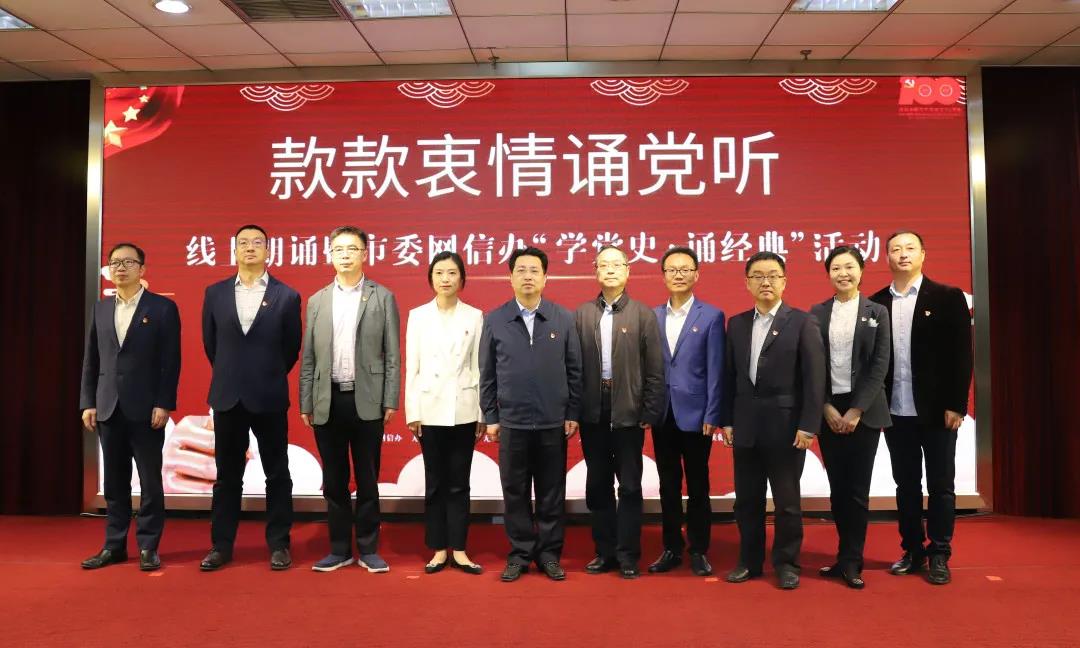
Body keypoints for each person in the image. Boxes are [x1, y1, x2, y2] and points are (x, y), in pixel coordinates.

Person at [870, 231, 972, 585]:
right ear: (886, 257)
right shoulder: (876, 303)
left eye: (910, 248)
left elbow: (961, 355)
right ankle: (912, 549)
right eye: (896, 249)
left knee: (941, 484)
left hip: (937, 410)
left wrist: (956, 404)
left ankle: (940, 552)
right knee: (906, 485)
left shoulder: (947, 297)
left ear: (923, 255)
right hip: (895, 411)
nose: (903, 254)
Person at [299, 225, 400, 573]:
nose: (345, 255)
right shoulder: (317, 300)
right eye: (339, 249)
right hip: (327, 399)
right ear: (330, 255)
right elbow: (309, 356)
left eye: (352, 249)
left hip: (367, 398)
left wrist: (390, 399)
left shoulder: (382, 296)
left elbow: (392, 355)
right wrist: (306, 401)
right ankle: (339, 549)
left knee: (368, 479)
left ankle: (369, 549)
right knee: (335, 479)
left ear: (364, 254)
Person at [721, 251, 825, 590]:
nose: (765, 281)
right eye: (758, 276)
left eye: (772, 275)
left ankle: (787, 563)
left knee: (787, 503)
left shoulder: (802, 322)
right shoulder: (737, 324)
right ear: (747, 283)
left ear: (784, 281)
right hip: (745, 427)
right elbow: (729, 375)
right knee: (746, 501)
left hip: (787, 428)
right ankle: (749, 562)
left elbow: (814, 379)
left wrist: (808, 425)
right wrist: (727, 420)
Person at [200, 224, 301, 572]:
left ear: (268, 251)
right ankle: (221, 545)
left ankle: (279, 545)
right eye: (243, 242)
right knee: (227, 476)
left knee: (277, 473)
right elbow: (211, 345)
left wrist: (265, 373)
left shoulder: (287, 296)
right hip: (228, 396)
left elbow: (291, 348)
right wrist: (234, 373)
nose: (250, 247)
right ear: (234, 250)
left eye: (257, 242)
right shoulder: (215, 293)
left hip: (269, 395)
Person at [479, 247, 583, 583]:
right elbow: (487, 373)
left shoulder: (563, 318)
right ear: (510, 277)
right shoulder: (495, 319)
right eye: (520, 270)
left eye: (534, 270)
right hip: (512, 422)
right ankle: (520, 554)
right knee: (515, 490)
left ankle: (549, 554)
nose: (527, 276)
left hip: (553, 420)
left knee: (551, 491)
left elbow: (575, 369)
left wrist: (572, 410)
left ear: (545, 277)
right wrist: (491, 416)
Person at [79, 242, 180, 572]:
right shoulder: (101, 309)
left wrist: (164, 403)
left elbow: (170, 362)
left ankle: (148, 546)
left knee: (150, 481)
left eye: (128, 262)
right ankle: (114, 545)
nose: (120, 268)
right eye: (114, 263)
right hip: (108, 406)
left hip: (147, 409)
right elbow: (92, 359)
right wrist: (88, 402)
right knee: (114, 482)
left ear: (142, 269)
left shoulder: (162, 308)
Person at [574, 245, 665, 579]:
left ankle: (628, 555)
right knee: (597, 484)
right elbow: (573, 368)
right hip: (593, 412)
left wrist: (649, 410)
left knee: (629, 486)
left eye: (617, 264)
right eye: (604, 265)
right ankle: (604, 552)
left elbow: (655, 369)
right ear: (596, 271)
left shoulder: (643, 315)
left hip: (629, 412)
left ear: (628, 271)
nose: (610, 270)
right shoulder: (582, 314)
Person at [810, 246, 891, 589]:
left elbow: (879, 365)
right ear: (828, 274)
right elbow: (813, 365)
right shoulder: (817, 313)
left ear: (861, 271)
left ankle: (853, 560)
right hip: (829, 409)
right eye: (836, 268)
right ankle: (843, 556)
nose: (843, 273)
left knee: (857, 490)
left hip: (864, 411)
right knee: (838, 489)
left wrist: (856, 410)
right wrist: (826, 407)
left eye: (849, 267)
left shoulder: (877, 311)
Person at [404, 251, 484, 575]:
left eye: (452, 273)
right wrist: (412, 410)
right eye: (439, 273)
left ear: (462, 279)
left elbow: (478, 367)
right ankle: (438, 549)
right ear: (431, 278)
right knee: (435, 481)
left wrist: (481, 412)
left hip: (464, 408)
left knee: (460, 483)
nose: (446, 279)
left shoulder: (475, 316)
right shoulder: (418, 316)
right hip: (429, 408)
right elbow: (413, 366)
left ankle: (460, 550)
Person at [649, 246, 725, 577]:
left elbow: (716, 369)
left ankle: (698, 549)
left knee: (697, 484)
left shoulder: (711, 316)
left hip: (697, 414)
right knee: (667, 484)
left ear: (696, 274)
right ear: (663, 275)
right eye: (672, 269)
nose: (678, 275)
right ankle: (671, 548)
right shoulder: (652, 316)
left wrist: (713, 413)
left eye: (685, 269)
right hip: (662, 413)